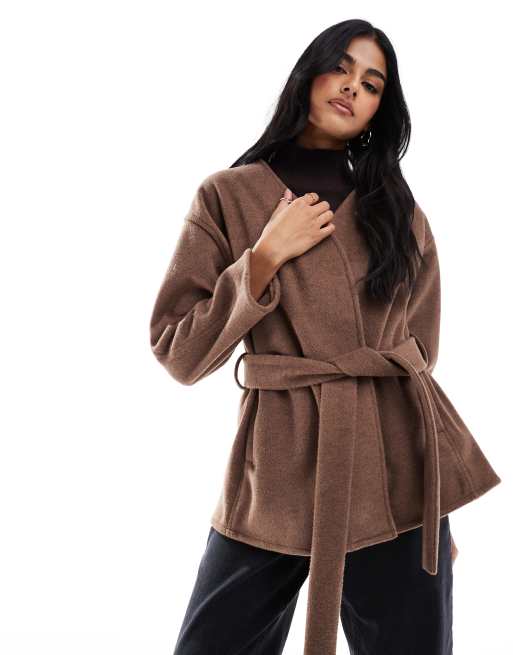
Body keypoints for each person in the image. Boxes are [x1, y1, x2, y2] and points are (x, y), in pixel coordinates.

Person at [149, 18, 499, 655]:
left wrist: (433, 502)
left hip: (393, 480)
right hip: (274, 472)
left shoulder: (398, 210)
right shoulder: (227, 196)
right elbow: (178, 351)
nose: (352, 86)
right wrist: (261, 261)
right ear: (309, 73)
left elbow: (420, 355)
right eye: (341, 66)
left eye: (372, 83)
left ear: (379, 110)